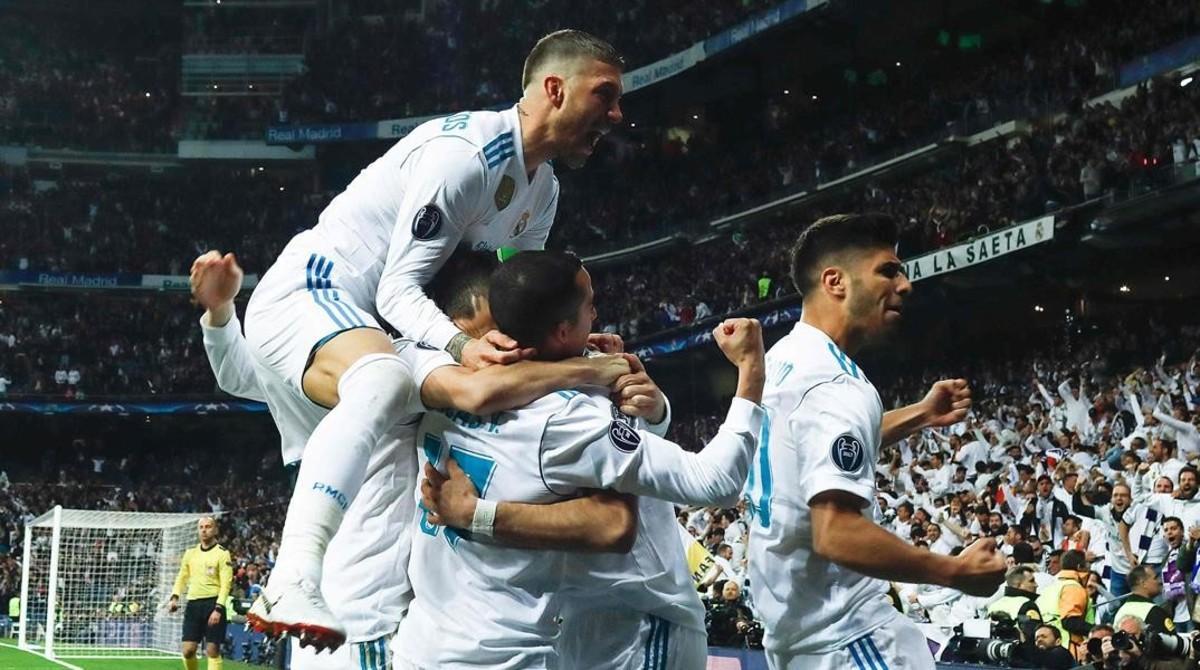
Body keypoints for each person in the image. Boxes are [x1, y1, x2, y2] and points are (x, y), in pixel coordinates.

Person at [241, 29, 626, 645]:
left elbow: (516, 301)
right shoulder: (464, 158)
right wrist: (461, 346)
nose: (615, 113)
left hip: (379, 329)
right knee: (386, 380)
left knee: (404, 425)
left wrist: (571, 347)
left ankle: (369, 623)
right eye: (604, 95)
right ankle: (293, 571)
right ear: (554, 89)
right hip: (315, 292)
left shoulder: (543, 189)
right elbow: (398, 289)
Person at [192, 248, 639, 667]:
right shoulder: (398, 364)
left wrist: (220, 312)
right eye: (485, 336)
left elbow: (238, 375)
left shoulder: (311, 365)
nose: (499, 348)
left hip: (333, 612)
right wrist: (589, 365)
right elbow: (477, 391)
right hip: (366, 618)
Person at [397, 250, 765, 668]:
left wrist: (645, 405)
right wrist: (751, 368)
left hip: (428, 642)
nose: (597, 311)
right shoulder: (569, 416)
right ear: (559, 330)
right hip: (600, 633)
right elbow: (709, 485)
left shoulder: (418, 366)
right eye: (589, 303)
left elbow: (485, 395)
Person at [741, 213, 1006, 670]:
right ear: (835, 281)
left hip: (797, 637)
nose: (905, 285)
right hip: (849, 638)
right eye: (888, 270)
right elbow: (836, 533)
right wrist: (955, 572)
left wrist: (919, 414)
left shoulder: (781, 360)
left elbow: (812, 450)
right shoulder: (837, 386)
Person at [169, 517, 233, 670]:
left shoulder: (222, 554)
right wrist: (175, 596)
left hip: (213, 603)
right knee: (188, 650)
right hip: (193, 604)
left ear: (215, 530)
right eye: (201, 527)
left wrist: (218, 609)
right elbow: (182, 577)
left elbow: (226, 584)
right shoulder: (190, 553)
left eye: (208, 527)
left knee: (212, 650)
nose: (204, 530)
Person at [1037, 549, 1092, 657]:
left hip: (1046, 650)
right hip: (1069, 650)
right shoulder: (1073, 587)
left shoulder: (1048, 589)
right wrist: (1096, 630)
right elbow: (1070, 622)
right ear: (1079, 567)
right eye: (1087, 564)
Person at [1113, 564, 1176, 635]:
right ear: (1144, 583)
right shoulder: (1154, 612)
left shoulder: (1119, 613)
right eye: (1155, 578)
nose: (1159, 581)